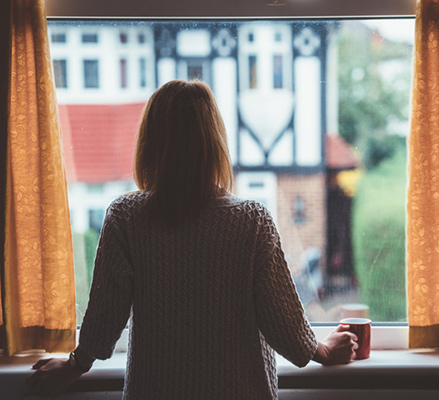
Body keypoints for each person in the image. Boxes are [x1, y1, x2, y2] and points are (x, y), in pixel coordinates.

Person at [26, 80, 358, 399]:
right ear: (215, 143)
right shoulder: (251, 220)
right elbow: (285, 325)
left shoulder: (126, 216)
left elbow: (104, 317)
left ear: (150, 143)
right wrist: (323, 351)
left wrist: (74, 366)